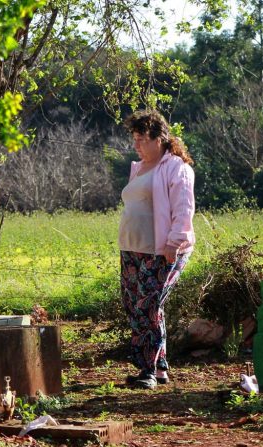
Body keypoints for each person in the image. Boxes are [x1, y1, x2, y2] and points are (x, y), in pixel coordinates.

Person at [118, 110, 195, 389]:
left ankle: (147, 370)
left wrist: (174, 243)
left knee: (147, 306)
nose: (136, 145)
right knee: (134, 305)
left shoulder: (176, 167)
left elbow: (183, 208)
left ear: (158, 139)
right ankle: (159, 369)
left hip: (162, 250)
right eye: (134, 139)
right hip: (132, 249)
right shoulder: (139, 167)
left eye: (141, 139)